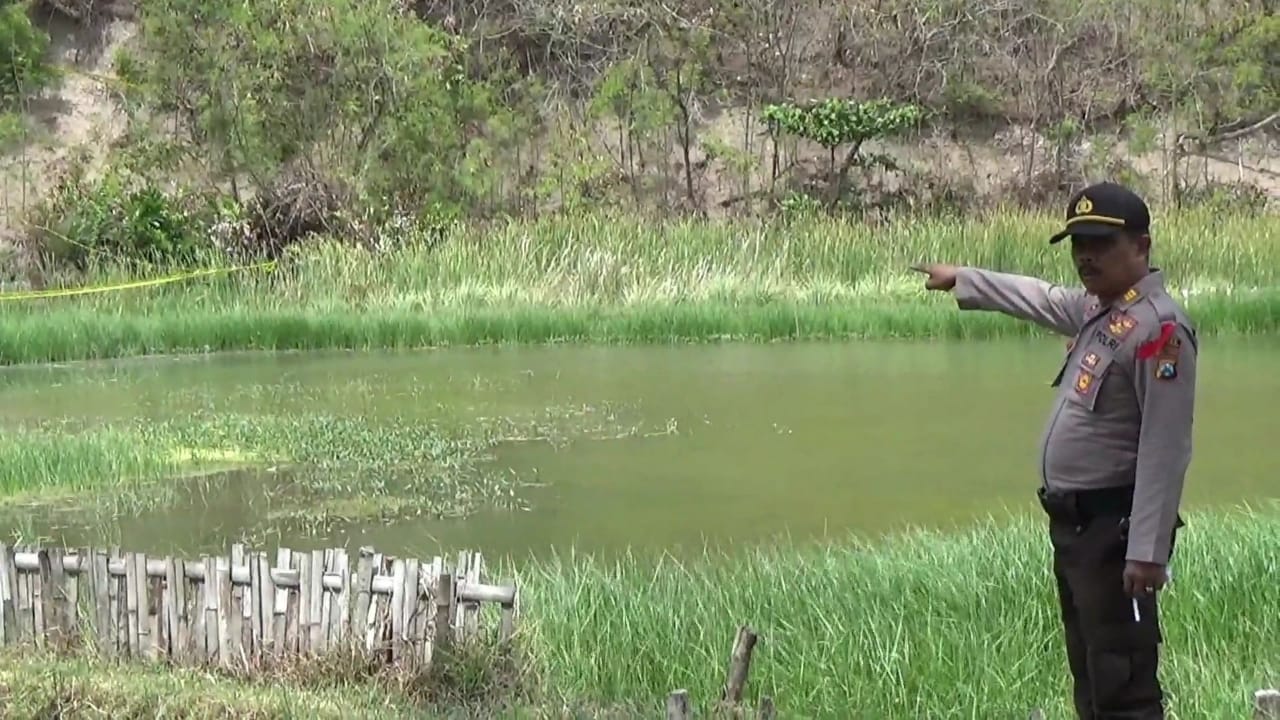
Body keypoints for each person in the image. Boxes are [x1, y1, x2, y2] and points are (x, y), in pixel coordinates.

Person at [911, 181, 1198, 720]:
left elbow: (1167, 446)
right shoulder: (1103, 312)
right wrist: (965, 279)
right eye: (1077, 243)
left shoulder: (1159, 329)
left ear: (1142, 246)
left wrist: (1147, 550)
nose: (1085, 256)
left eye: (1100, 244)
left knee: (1123, 681)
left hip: (1115, 531)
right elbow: (1039, 296)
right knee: (1090, 673)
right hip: (1075, 528)